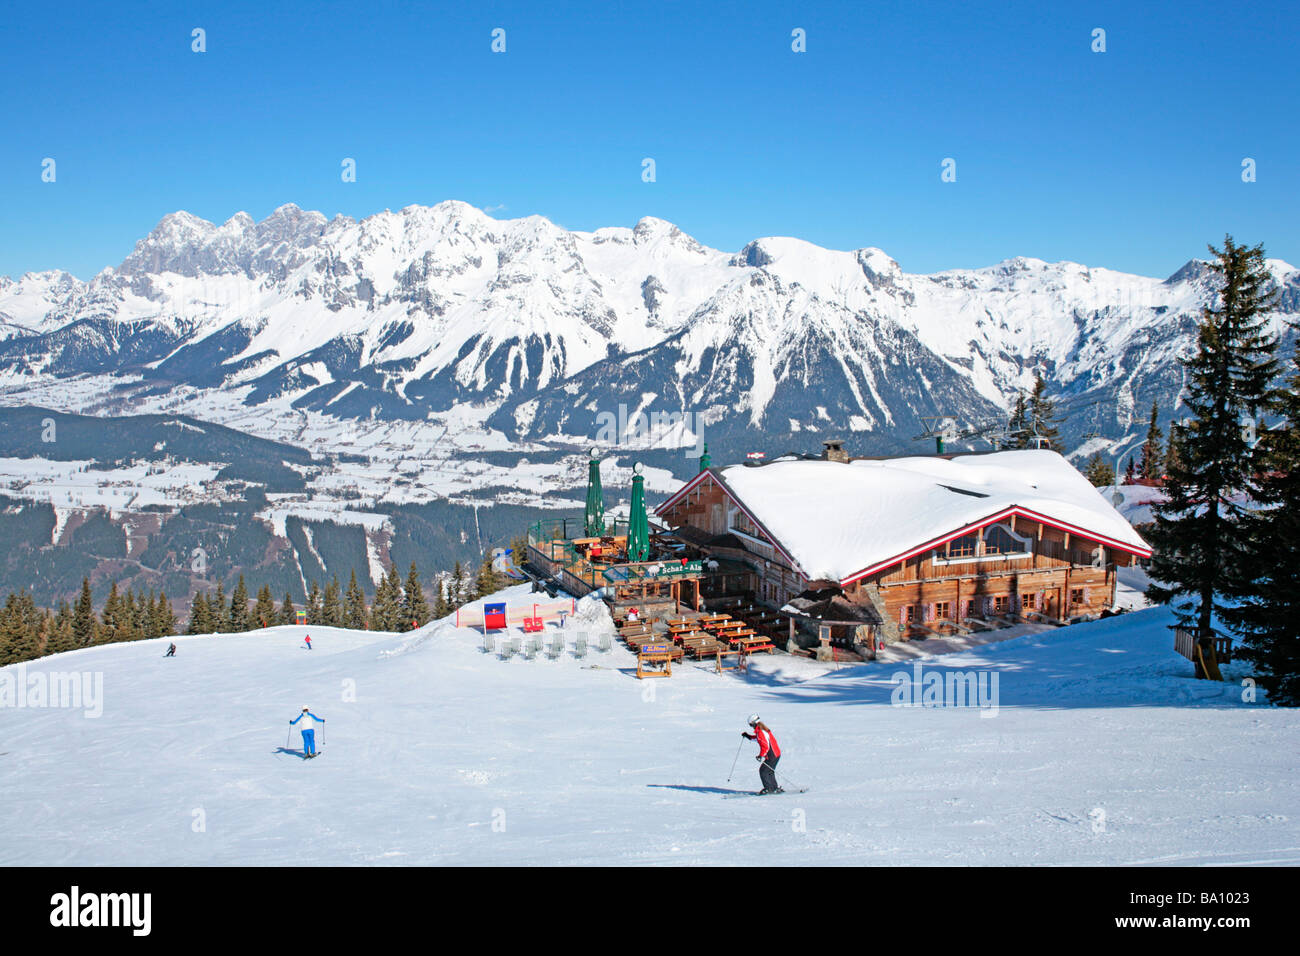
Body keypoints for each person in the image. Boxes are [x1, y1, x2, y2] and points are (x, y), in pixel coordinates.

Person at [741, 714, 782, 794]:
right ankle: (774, 788)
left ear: (753, 723)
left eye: (751, 725)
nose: (751, 726)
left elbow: (765, 746)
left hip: (772, 754)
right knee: (769, 771)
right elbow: (758, 739)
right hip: (775, 754)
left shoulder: (760, 732)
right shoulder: (761, 730)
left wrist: (761, 755)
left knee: (763, 771)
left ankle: (769, 789)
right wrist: (748, 736)